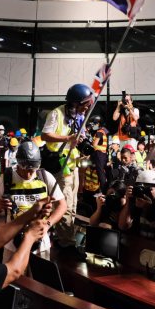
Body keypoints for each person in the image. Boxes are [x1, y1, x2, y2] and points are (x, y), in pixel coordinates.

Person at [40, 83, 94, 248]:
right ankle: (67, 243)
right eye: (86, 105)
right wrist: (67, 139)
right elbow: (45, 135)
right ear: (75, 103)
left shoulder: (79, 116)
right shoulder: (56, 114)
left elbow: (79, 136)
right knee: (66, 205)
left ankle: (64, 235)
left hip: (73, 165)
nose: (88, 108)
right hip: (60, 165)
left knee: (74, 204)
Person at [0, 141, 67, 259]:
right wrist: (0, 205)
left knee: (38, 277)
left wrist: (48, 224)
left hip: (40, 245)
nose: (28, 174)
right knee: (12, 276)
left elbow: (62, 205)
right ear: (18, 162)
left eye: (32, 170)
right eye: (24, 169)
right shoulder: (6, 177)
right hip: (12, 243)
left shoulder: (45, 176)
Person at [119, 169, 155, 240]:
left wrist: (147, 208)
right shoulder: (136, 202)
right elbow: (122, 226)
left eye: (148, 189)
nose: (144, 192)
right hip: (138, 244)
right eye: (142, 188)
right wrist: (128, 201)